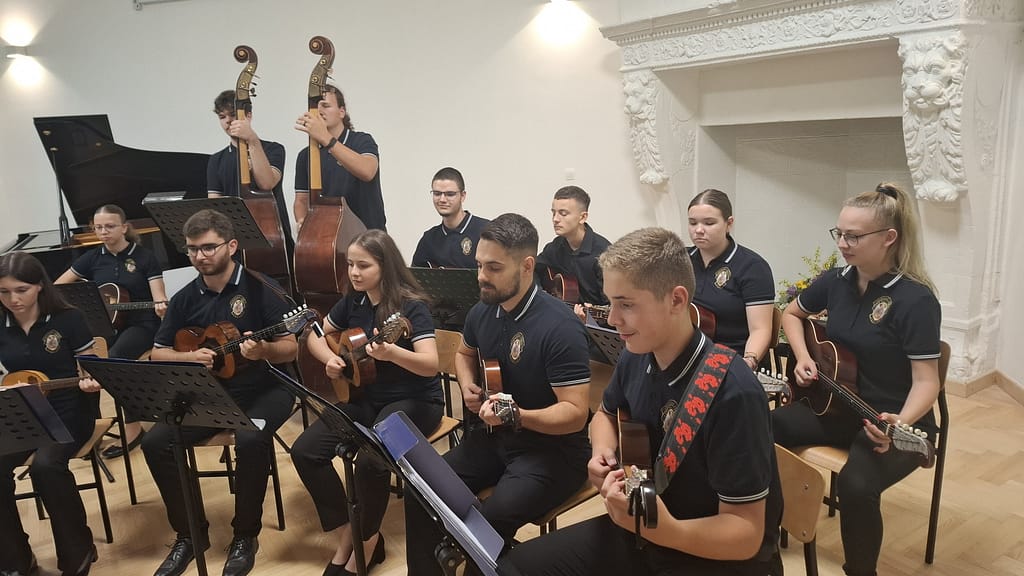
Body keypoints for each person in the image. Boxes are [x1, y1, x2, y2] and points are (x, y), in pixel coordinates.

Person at [499, 227, 783, 576]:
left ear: (676, 300)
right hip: (646, 526)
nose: (612, 319)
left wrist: (667, 531)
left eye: (626, 304)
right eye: (610, 302)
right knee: (514, 567)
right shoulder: (636, 354)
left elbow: (746, 535)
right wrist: (602, 451)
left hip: (711, 554)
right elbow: (605, 414)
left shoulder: (733, 392)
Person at [404, 213, 592, 576]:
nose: (480, 276)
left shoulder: (560, 326)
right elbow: (464, 354)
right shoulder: (483, 311)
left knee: (487, 525)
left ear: (526, 266)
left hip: (552, 453)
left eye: (493, 268)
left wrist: (519, 415)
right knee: (422, 490)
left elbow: (574, 414)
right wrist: (467, 383)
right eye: (479, 265)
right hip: (494, 438)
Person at [771, 183, 942, 576]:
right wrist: (802, 358)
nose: (842, 243)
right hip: (838, 406)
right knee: (758, 426)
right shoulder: (838, 279)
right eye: (839, 233)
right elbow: (792, 314)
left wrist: (900, 423)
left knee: (857, 486)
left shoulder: (916, 300)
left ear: (889, 238)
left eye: (853, 236)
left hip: (892, 422)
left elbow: (927, 382)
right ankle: (764, 533)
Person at [142, 209, 298, 576]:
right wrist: (189, 357)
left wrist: (264, 350)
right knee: (155, 442)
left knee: (251, 438)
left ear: (231, 246)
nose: (200, 256)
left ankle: (245, 535)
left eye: (208, 247)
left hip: (266, 388)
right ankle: (190, 535)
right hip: (209, 393)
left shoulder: (261, 288)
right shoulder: (184, 298)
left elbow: (291, 347)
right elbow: (158, 352)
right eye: (192, 249)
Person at [291, 230, 443, 576]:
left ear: (385, 266)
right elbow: (315, 334)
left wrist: (393, 353)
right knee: (305, 451)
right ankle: (350, 531)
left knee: (372, 461)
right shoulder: (354, 301)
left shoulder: (411, 307)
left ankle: (366, 543)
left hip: (417, 402)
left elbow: (430, 364)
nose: (354, 272)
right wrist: (330, 359)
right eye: (350, 264)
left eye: (363, 265)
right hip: (366, 398)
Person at [0, 251, 100, 576]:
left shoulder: (68, 318)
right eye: (4, 292)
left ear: (40, 286)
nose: (13, 299)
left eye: (21, 290)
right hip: (21, 413)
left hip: (69, 411)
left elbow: (92, 367)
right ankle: (15, 560)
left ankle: (78, 553)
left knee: (46, 466)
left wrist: (91, 381)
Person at [55, 204, 168, 459]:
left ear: (124, 228)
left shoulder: (145, 257)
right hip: (106, 325)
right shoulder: (92, 258)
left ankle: (133, 428)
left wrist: (161, 306)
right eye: (98, 227)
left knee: (115, 360)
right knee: (84, 360)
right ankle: (89, 428)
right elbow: (58, 288)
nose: (103, 231)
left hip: (142, 324)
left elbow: (159, 296)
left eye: (109, 226)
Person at [687, 189, 775, 369]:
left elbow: (760, 329)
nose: (699, 230)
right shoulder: (680, 260)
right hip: (686, 355)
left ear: (729, 223)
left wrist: (749, 360)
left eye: (709, 223)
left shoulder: (752, 267)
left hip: (730, 360)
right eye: (693, 222)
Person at [207, 89, 294, 268]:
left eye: (233, 114)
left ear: (248, 115)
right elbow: (214, 207)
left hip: (273, 240)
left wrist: (252, 140)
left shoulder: (274, 149)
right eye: (222, 117)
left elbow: (267, 183)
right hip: (234, 243)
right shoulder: (216, 160)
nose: (228, 121)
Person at [294, 84, 386, 231]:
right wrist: (302, 221)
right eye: (316, 107)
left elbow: (368, 171)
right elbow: (301, 200)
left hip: (368, 234)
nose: (319, 111)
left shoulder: (361, 140)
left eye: (326, 106)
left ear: (341, 112)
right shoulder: (306, 155)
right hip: (328, 236)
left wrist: (327, 139)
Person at [535, 186, 611, 323]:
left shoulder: (604, 254)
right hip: (562, 320)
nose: (555, 219)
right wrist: (543, 296)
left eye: (563, 213)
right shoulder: (556, 247)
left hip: (595, 328)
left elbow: (610, 307)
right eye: (553, 213)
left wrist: (589, 320)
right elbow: (533, 270)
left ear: (583, 217)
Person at [411, 167, 489, 269]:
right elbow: (414, 276)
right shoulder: (429, 238)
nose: (442, 199)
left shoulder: (486, 231)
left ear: (463, 196)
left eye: (450, 194)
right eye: (437, 193)